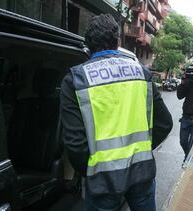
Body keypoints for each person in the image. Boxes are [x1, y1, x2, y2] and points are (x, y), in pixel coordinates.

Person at [60, 14, 172, 211]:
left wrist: (90, 172)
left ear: (88, 44)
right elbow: (165, 123)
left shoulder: (76, 80)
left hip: (102, 181)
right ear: (117, 40)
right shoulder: (142, 74)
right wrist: (141, 151)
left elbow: (75, 144)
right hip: (142, 174)